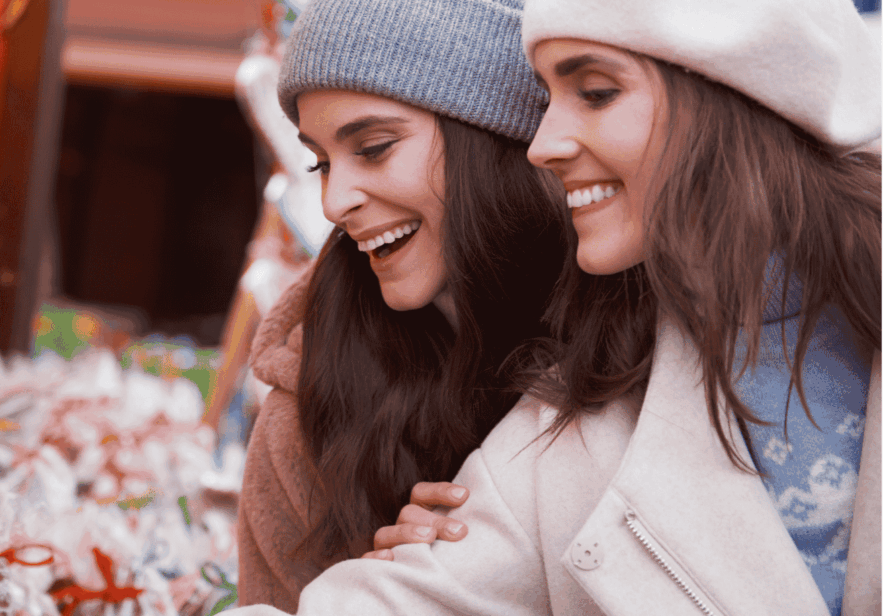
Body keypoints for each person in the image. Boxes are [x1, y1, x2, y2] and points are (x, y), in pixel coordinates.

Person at [228, 0, 882, 613]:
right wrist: (441, 560)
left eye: (594, 92)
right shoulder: (569, 428)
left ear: (740, 87)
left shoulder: (616, 336)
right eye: (319, 164)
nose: (543, 141)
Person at [235, 0, 568, 610]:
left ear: (496, 134)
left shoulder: (645, 346)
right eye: (321, 162)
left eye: (375, 146)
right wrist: (376, 591)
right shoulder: (309, 417)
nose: (335, 202)